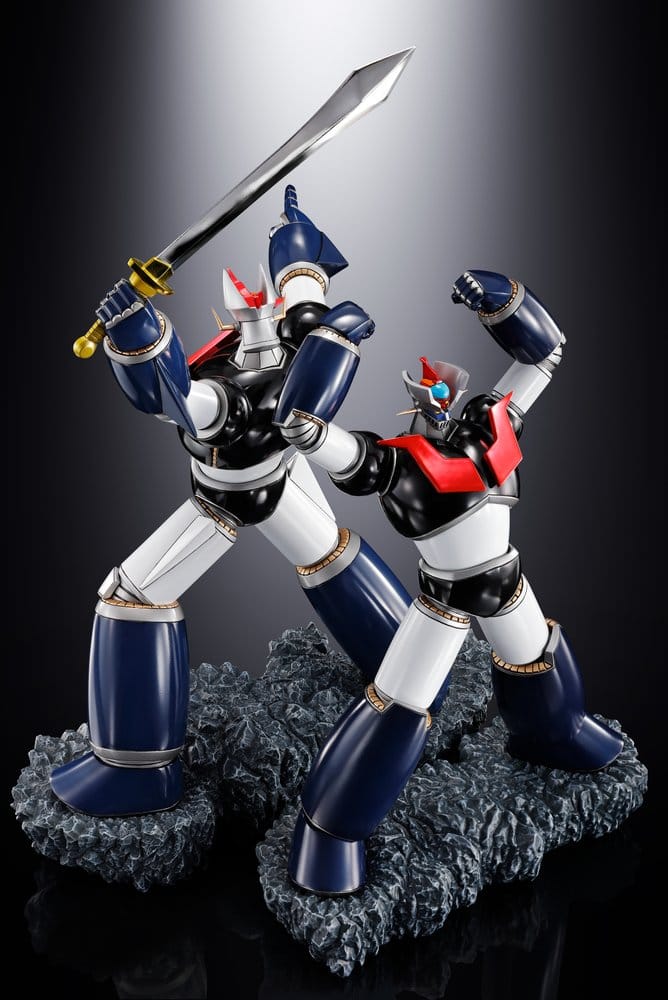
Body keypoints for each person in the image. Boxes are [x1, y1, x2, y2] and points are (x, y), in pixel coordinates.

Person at [49, 187, 410, 817]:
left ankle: (135, 770)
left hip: (238, 495)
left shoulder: (236, 389)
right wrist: (292, 233)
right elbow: (300, 285)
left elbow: (174, 400)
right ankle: (405, 659)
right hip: (277, 482)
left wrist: (138, 338)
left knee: (130, 598)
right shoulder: (289, 346)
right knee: (327, 553)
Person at [276, 266, 623, 894]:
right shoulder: (398, 462)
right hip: (443, 603)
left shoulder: (491, 423)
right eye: (427, 398)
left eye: (444, 394)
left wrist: (505, 302)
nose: (438, 402)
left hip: (507, 582)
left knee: (535, 661)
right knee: (399, 707)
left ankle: (559, 736)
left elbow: (545, 355)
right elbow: (330, 446)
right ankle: (330, 832)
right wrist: (319, 391)